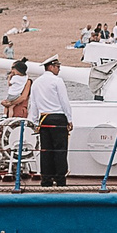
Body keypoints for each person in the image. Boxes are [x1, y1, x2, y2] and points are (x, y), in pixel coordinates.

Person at [27, 57, 73, 186]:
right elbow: (64, 101)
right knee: (60, 150)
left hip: (44, 119)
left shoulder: (36, 83)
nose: (59, 69)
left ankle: (46, 179)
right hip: (58, 118)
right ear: (51, 67)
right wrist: (69, 119)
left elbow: (34, 104)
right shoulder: (57, 81)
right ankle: (60, 179)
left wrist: (35, 121)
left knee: (46, 150)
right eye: (58, 67)